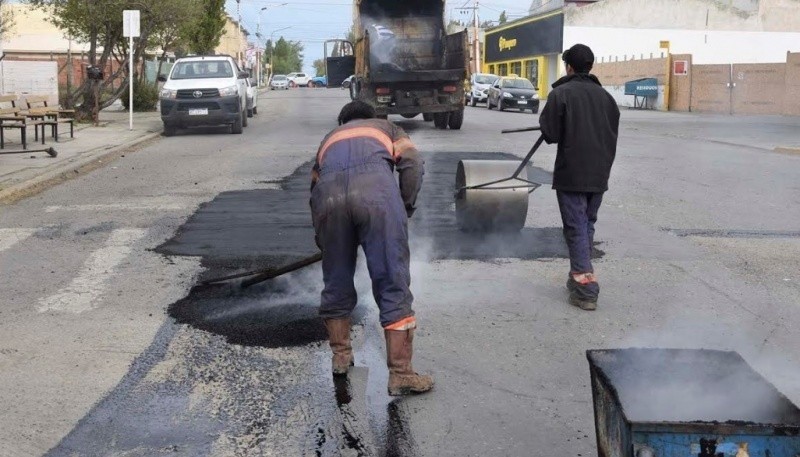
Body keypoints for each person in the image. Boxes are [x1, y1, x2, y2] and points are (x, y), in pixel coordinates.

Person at [310, 100, 433, 396]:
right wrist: (404, 206)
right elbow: (413, 163)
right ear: (371, 117)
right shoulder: (388, 128)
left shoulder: (329, 139)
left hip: (328, 204)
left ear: (344, 121)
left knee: (336, 280)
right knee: (391, 280)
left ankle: (341, 357)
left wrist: (324, 237)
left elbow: (314, 187)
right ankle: (401, 373)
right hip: (376, 200)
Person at [538, 44, 620, 311]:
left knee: (575, 226)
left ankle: (586, 287)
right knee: (586, 224)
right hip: (599, 173)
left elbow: (550, 133)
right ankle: (579, 274)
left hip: (573, 172)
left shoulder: (561, 94)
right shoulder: (607, 98)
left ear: (569, 67)